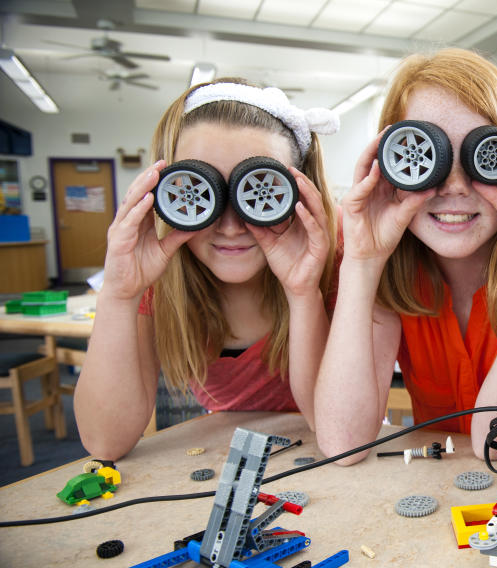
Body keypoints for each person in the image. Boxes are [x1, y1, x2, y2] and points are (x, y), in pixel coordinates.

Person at [315, 48, 497, 463]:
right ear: (388, 165)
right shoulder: (393, 270)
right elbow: (344, 444)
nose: (455, 186)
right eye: (425, 156)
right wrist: (362, 261)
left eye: (484, 155)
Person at [75, 79, 340, 460]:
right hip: (233, 455)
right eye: (202, 191)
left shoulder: (337, 260)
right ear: (167, 192)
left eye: (260, 188)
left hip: (332, 453)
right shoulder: (160, 276)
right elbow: (104, 441)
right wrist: (119, 294)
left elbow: (331, 427)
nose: (231, 225)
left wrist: (303, 292)